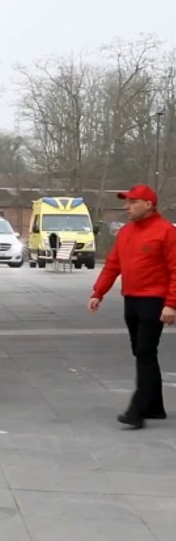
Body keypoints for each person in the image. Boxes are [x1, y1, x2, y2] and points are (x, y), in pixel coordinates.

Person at [88, 184, 176, 429]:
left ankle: (136, 410)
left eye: (133, 202)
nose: (127, 207)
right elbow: (112, 265)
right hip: (132, 299)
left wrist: (171, 304)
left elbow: (175, 269)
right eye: (127, 202)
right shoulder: (126, 232)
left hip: (154, 301)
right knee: (141, 352)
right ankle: (155, 407)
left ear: (148, 204)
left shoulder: (166, 232)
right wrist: (99, 292)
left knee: (145, 352)